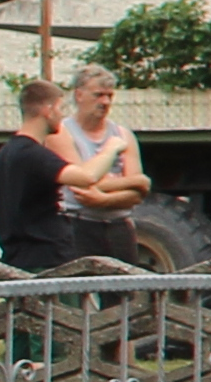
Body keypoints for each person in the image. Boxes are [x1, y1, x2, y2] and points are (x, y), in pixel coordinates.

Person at [0, 77, 85, 267]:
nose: (62, 116)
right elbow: (85, 177)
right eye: (61, 108)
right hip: (46, 261)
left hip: (18, 258)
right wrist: (113, 148)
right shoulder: (33, 155)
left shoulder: (5, 153)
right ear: (48, 110)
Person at [57, 61, 151, 247]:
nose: (105, 102)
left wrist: (104, 199)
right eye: (98, 95)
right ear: (79, 95)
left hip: (119, 227)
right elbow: (81, 187)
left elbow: (137, 195)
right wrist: (137, 182)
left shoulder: (123, 135)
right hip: (79, 226)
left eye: (109, 96)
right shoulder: (62, 132)